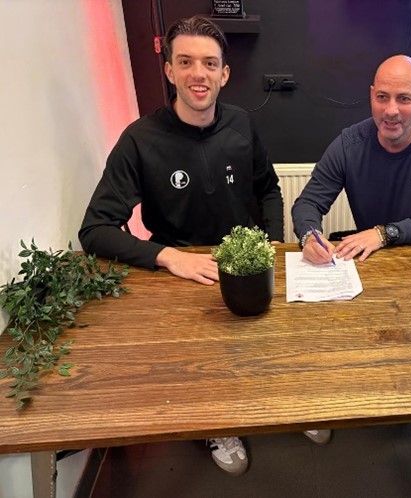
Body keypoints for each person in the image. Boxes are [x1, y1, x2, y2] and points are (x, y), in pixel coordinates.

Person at [79, 15, 328, 476]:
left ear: (224, 74)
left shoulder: (241, 124)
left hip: (247, 263)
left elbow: (268, 189)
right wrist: (167, 257)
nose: (199, 73)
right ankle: (218, 423)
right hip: (183, 273)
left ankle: (291, 405)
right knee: (207, 367)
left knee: (274, 346)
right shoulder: (139, 140)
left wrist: (273, 245)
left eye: (210, 63)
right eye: (186, 62)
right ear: (169, 70)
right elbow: (95, 230)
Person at [292, 54, 411, 264]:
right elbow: (308, 203)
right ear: (371, 95)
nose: (391, 111)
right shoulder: (349, 144)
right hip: (379, 256)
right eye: (382, 97)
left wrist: (384, 233)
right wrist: (310, 237)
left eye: (404, 98)